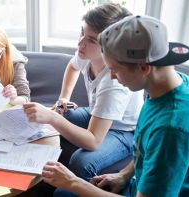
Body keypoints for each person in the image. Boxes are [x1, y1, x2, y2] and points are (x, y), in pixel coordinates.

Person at [42, 15, 189, 197]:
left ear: (144, 68)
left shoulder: (171, 129)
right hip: (135, 183)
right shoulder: (171, 84)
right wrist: (123, 175)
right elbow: (146, 149)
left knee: (63, 193)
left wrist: (73, 182)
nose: (112, 76)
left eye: (115, 69)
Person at [24, 3, 144, 183]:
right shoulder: (85, 53)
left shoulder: (113, 83)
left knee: (81, 160)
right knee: (63, 113)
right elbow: (72, 67)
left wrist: (52, 118)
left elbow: (93, 141)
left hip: (122, 130)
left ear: (110, 46)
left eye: (91, 40)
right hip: (96, 113)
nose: (80, 43)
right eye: (82, 33)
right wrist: (64, 97)